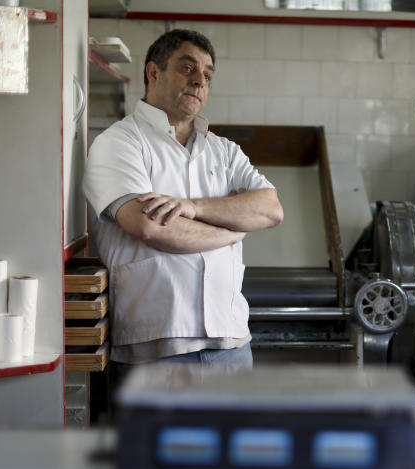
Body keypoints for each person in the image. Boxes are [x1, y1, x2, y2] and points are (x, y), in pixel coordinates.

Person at [83, 29, 283, 388]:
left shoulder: (224, 151)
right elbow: (150, 228)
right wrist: (234, 228)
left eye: (207, 75)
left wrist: (190, 207)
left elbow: (270, 210)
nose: (199, 81)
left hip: (231, 345)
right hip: (156, 348)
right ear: (153, 73)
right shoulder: (119, 143)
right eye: (187, 68)